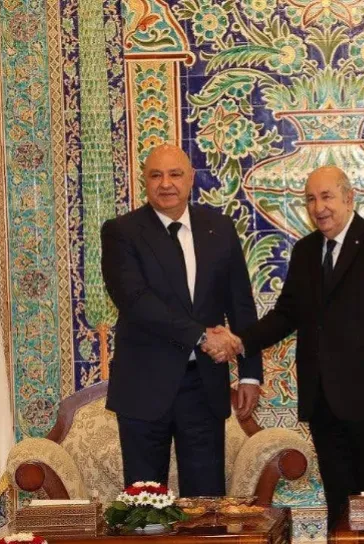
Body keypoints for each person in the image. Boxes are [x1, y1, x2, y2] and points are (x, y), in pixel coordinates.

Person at [222, 165, 364, 529]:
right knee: (339, 507)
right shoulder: (305, 251)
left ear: (349, 198)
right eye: (311, 199)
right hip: (324, 405)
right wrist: (240, 341)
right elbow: (286, 315)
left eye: (327, 197)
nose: (319, 207)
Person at [100, 144, 261, 496]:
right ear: (144, 181)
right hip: (143, 387)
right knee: (144, 505)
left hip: (204, 386)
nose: (166, 184)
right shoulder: (121, 232)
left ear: (191, 179)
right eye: (156, 175)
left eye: (175, 174)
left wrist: (250, 373)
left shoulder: (219, 228)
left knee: (207, 504)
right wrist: (203, 336)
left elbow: (241, 304)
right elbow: (136, 302)